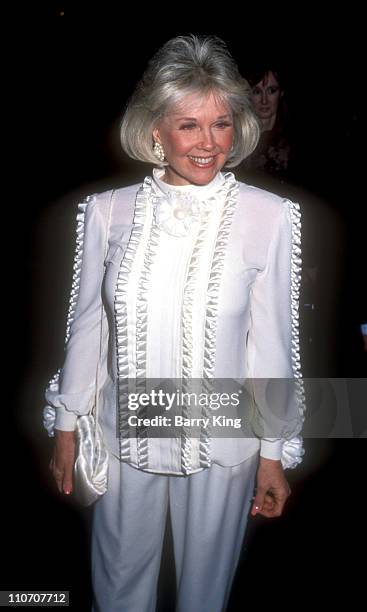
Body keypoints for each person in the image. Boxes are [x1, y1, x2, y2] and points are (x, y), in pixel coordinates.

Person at [44, 35, 305, 612]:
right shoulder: (107, 212)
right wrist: (66, 423)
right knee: (116, 590)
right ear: (156, 130)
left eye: (221, 123)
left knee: (204, 597)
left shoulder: (270, 216)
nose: (208, 143)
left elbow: (273, 349)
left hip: (223, 441)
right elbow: (87, 327)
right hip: (122, 432)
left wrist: (273, 454)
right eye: (189, 125)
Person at [241, 64, 292, 177]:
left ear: (281, 92)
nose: (264, 101)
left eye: (271, 91)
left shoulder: (291, 141)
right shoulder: (237, 135)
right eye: (257, 92)